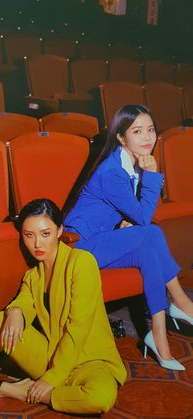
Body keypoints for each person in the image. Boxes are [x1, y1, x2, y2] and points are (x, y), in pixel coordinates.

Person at [0, 198, 126, 414]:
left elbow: (78, 327)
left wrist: (52, 379)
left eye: (45, 233)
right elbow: (25, 301)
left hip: (90, 362)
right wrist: (16, 311)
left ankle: (18, 391)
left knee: (100, 398)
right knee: (4, 321)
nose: (37, 244)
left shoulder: (82, 263)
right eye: (29, 235)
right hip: (51, 357)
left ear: (59, 231)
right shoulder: (32, 276)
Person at [64, 104, 193, 371]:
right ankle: (181, 303)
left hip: (103, 240)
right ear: (122, 137)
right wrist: (153, 175)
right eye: (137, 131)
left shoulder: (128, 163)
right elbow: (145, 219)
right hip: (78, 246)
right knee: (152, 232)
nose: (147, 138)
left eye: (151, 130)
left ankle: (158, 335)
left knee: (149, 251)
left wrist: (125, 220)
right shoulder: (112, 171)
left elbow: (131, 213)